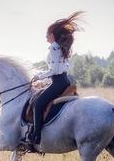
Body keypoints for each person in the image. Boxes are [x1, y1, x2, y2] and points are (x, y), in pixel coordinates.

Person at [26, 11, 85, 145]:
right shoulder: (61, 47)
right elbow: (60, 68)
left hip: (58, 83)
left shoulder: (54, 47)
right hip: (64, 80)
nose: (46, 37)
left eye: (47, 35)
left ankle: (36, 136)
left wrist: (38, 76)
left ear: (52, 35)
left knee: (38, 104)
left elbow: (54, 70)